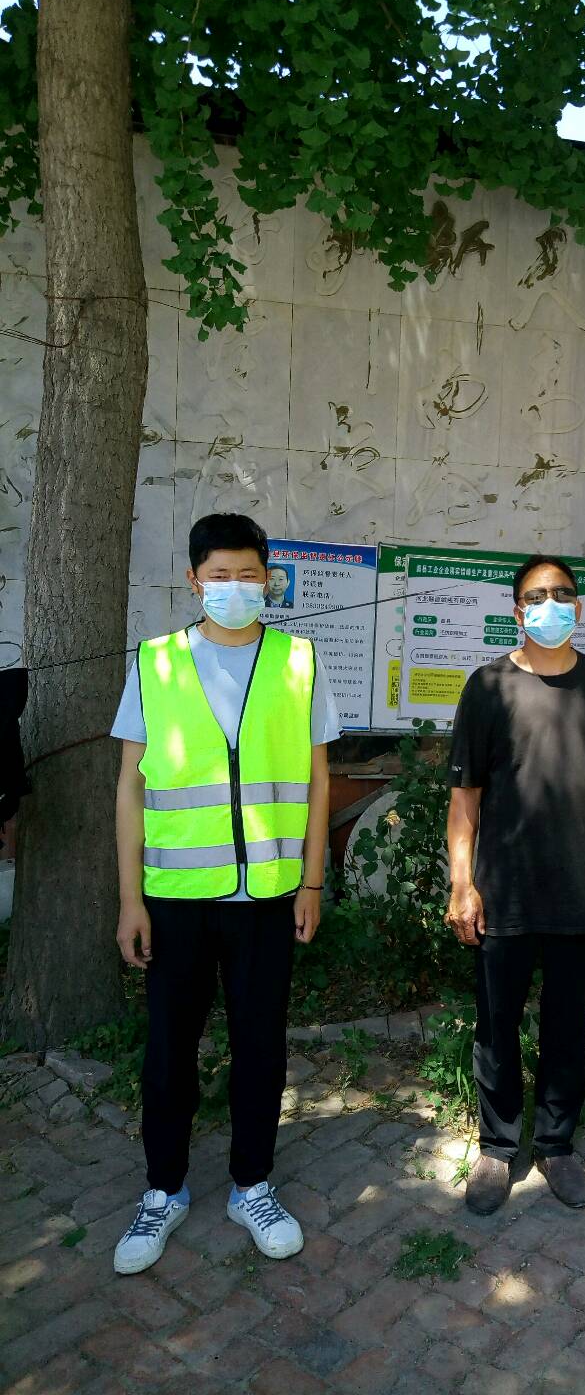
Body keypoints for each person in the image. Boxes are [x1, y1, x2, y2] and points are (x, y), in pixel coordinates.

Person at [110, 513, 340, 1275]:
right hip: (176, 898)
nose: (235, 588)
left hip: (268, 897)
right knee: (169, 1052)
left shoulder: (299, 660)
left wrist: (311, 881)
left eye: (248, 575)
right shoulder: (155, 662)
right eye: (220, 575)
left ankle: (252, 1185)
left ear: (268, 579)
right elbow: (130, 785)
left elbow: (319, 780)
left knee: (260, 1047)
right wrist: (131, 900)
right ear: (193, 580)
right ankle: (163, 1190)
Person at [446, 555, 585, 1215]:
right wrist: (462, 883)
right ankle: (498, 1148)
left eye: (562, 594)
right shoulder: (488, 686)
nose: (550, 605)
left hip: (581, 891)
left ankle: (557, 1145)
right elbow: (465, 797)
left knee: (567, 1028)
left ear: (579, 608)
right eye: (537, 596)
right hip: (503, 893)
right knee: (496, 1025)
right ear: (518, 611)